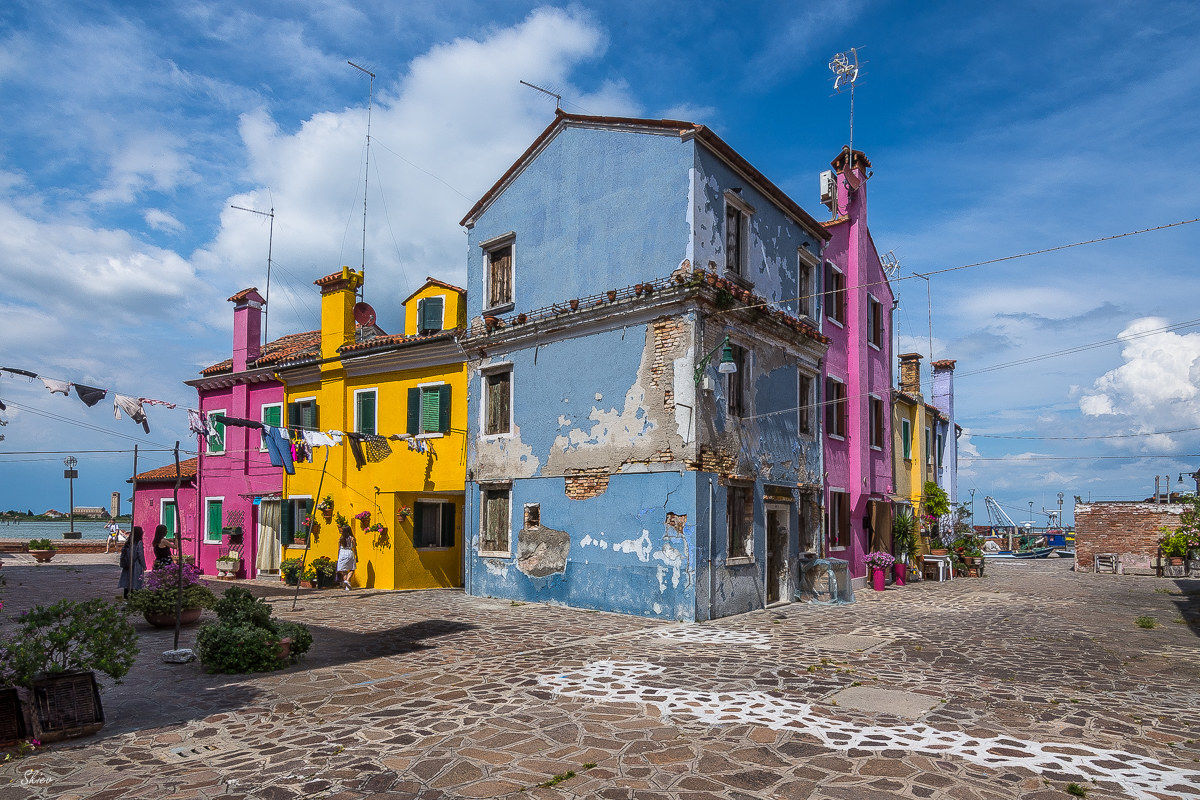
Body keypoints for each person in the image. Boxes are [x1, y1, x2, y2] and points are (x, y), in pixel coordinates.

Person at [118, 527, 146, 598]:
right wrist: (144, 565)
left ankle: (127, 597)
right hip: (136, 564)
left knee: (127, 581)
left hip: (127, 564)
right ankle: (134, 597)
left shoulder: (128, 542)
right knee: (136, 581)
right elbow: (140, 555)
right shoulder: (139, 542)